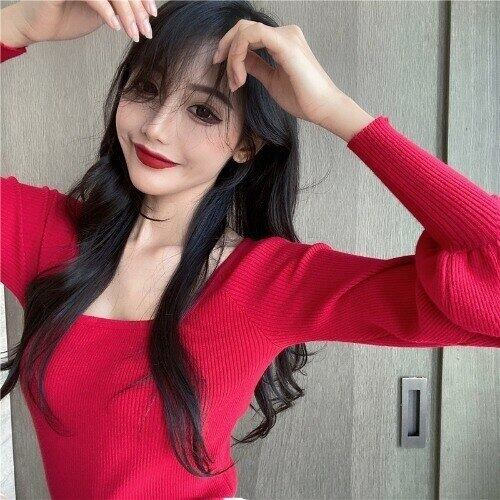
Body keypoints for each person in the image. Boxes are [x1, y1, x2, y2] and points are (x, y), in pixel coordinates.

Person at [1, 1, 498, 499]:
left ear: (246, 145)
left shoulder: (268, 283)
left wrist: (335, 110)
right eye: (147, 89)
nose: (156, 127)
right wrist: (16, 24)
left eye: (203, 111)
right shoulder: (44, 236)